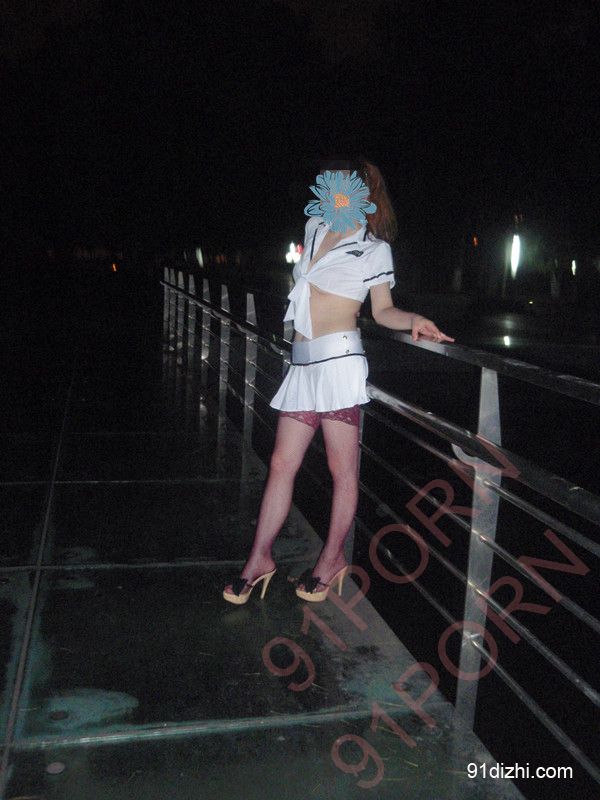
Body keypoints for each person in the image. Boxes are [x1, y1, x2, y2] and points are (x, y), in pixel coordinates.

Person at [223, 158, 453, 605]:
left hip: (339, 363)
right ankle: (259, 559)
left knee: (341, 469)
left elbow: (382, 311)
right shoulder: (314, 227)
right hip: (302, 363)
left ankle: (330, 561)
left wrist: (414, 320)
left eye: (349, 184)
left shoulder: (373, 248)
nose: (338, 190)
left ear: (364, 193)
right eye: (334, 183)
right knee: (281, 463)